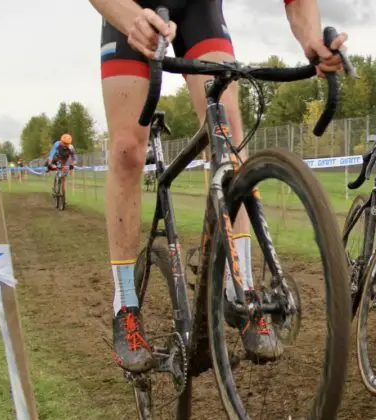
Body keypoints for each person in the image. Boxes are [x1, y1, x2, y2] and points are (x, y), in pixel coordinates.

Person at [89, 0, 349, 373]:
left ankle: (239, 288)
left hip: (199, 9)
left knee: (229, 134)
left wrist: (311, 38)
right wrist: (131, 20)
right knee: (128, 148)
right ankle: (126, 304)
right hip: (131, 6)